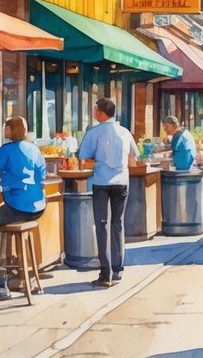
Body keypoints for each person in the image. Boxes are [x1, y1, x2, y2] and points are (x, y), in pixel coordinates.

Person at [0, 116, 46, 301]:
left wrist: (1, 180)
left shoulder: (5, 150)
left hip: (18, 207)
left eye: (5, 127)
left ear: (9, 130)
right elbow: (41, 177)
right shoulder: (35, 150)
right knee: (0, 222)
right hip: (37, 207)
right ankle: (1, 279)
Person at [78, 99, 139, 287]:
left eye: (96, 109)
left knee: (102, 225)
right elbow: (133, 160)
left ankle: (105, 273)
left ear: (101, 113)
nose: (95, 112)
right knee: (118, 224)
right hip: (121, 183)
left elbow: (83, 160)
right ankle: (118, 269)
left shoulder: (93, 133)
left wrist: (97, 162)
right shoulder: (125, 132)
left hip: (102, 183)